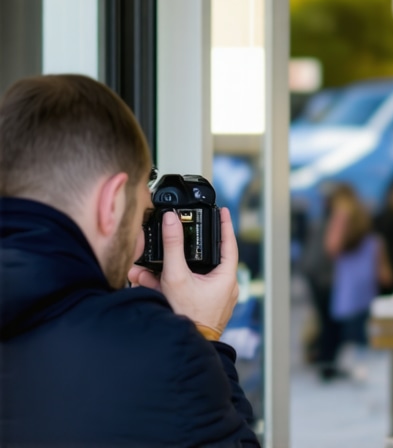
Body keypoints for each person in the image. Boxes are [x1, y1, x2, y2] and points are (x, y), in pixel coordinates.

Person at [0, 74, 260, 447]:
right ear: (111, 202)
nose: (141, 244)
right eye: (143, 215)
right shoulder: (165, 362)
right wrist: (202, 338)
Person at [317, 183, 393, 381]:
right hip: (366, 296)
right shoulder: (374, 241)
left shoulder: (343, 228)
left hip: (348, 296)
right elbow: (385, 276)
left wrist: (338, 221)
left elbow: (331, 247)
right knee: (362, 339)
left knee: (352, 339)